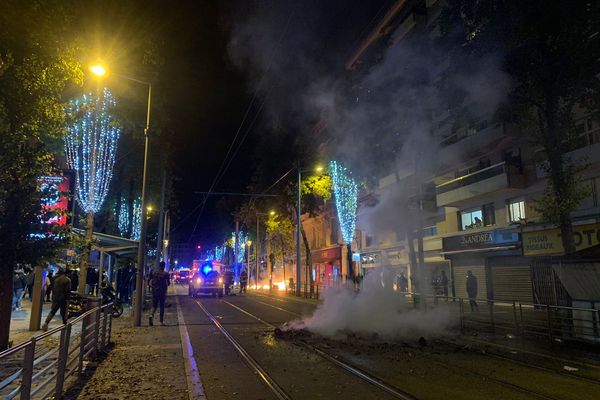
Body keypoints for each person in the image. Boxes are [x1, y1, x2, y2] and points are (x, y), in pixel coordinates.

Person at [148, 262, 170, 326]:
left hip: (155, 291)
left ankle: (151, 315)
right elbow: (168, 283)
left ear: (159, 266)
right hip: (162, 292)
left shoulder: (154, 273)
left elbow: (149, 280)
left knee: (154, 305)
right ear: (164, 266)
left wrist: (151, 287)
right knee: (161, 306)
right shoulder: (166, 274)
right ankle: (161, 322)